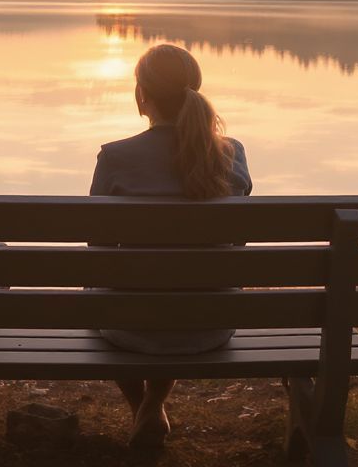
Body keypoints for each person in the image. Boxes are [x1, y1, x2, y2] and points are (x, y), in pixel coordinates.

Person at [89, 43, 252, 449]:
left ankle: (143, 407)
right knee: (178, 287)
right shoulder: (232, 154)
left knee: (108, 291)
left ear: (142, 96)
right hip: (209, 324)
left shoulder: (115, 157)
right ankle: (154, 404)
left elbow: (98, 245)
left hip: (130, 328)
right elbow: (237, 239)